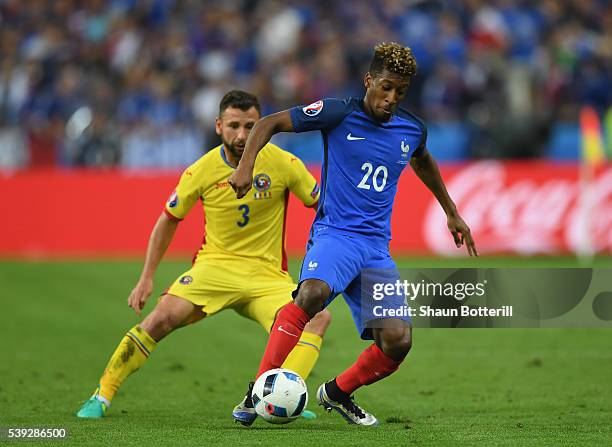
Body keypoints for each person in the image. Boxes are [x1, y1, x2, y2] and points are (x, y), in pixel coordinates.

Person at [228, 43, 477, 426]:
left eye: (400, 92)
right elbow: (268, 123)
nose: (391, 98)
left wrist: (452, 212)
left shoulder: (411, 129)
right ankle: (257, 390)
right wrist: (246, 167)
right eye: (386, 87)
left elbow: (422, 158)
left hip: (376, 249)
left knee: (398, 342)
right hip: (336, 236)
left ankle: (337, 392)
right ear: (369, 80)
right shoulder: (339, 112)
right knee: (311, 295)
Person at [76, 90, 332, 422]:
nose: (242, 135)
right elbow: (168, 221)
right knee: (158, 320)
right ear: (218, 126)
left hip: (266, 276)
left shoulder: (284, 164)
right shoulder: (202, 170)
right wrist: (146, 277)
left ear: (262, 127)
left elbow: (324, 209)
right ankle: (102, 394)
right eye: (234, 126)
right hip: (214, 269)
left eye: (251, 126)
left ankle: (277, 398)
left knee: (318, 318)